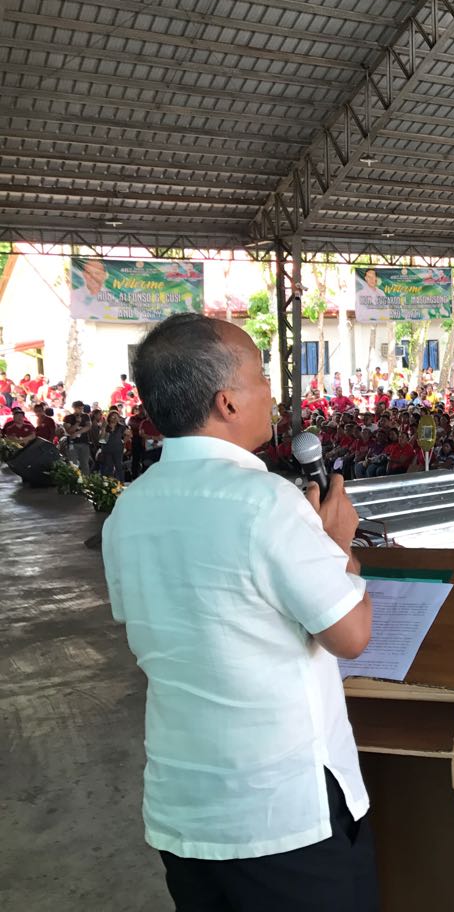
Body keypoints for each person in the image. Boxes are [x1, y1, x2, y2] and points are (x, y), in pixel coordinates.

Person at [101, 314, 378, 911]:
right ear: (227, 402)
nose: (272, 393)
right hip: (281, 813)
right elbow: (351, 635)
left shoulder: (130, 509)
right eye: (261, 377)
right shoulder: (268, 501)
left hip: (184, 805)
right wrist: (337, 550)